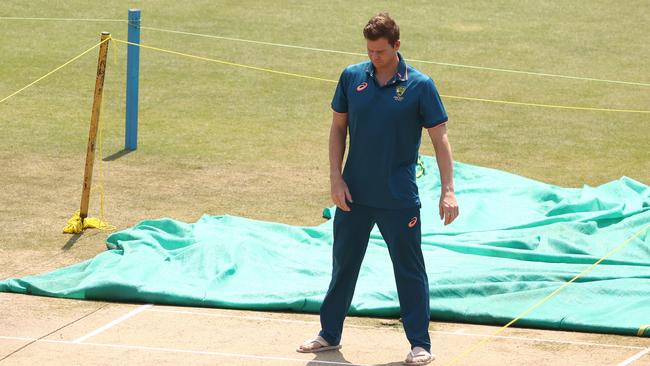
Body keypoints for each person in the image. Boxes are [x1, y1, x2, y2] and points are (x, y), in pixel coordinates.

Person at [297, 13, 459, 365]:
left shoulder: (420, 85)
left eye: (381, 52)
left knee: (409, 269)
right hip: (354, 194)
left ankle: (419, 343)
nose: (375, 57)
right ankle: (329, 334)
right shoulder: (352, 77)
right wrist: (334, 178)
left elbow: (440, 138)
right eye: (370, 51)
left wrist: (448, 189)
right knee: (344, 265)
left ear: (397, 46)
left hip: (398, 198)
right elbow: (338, 128)